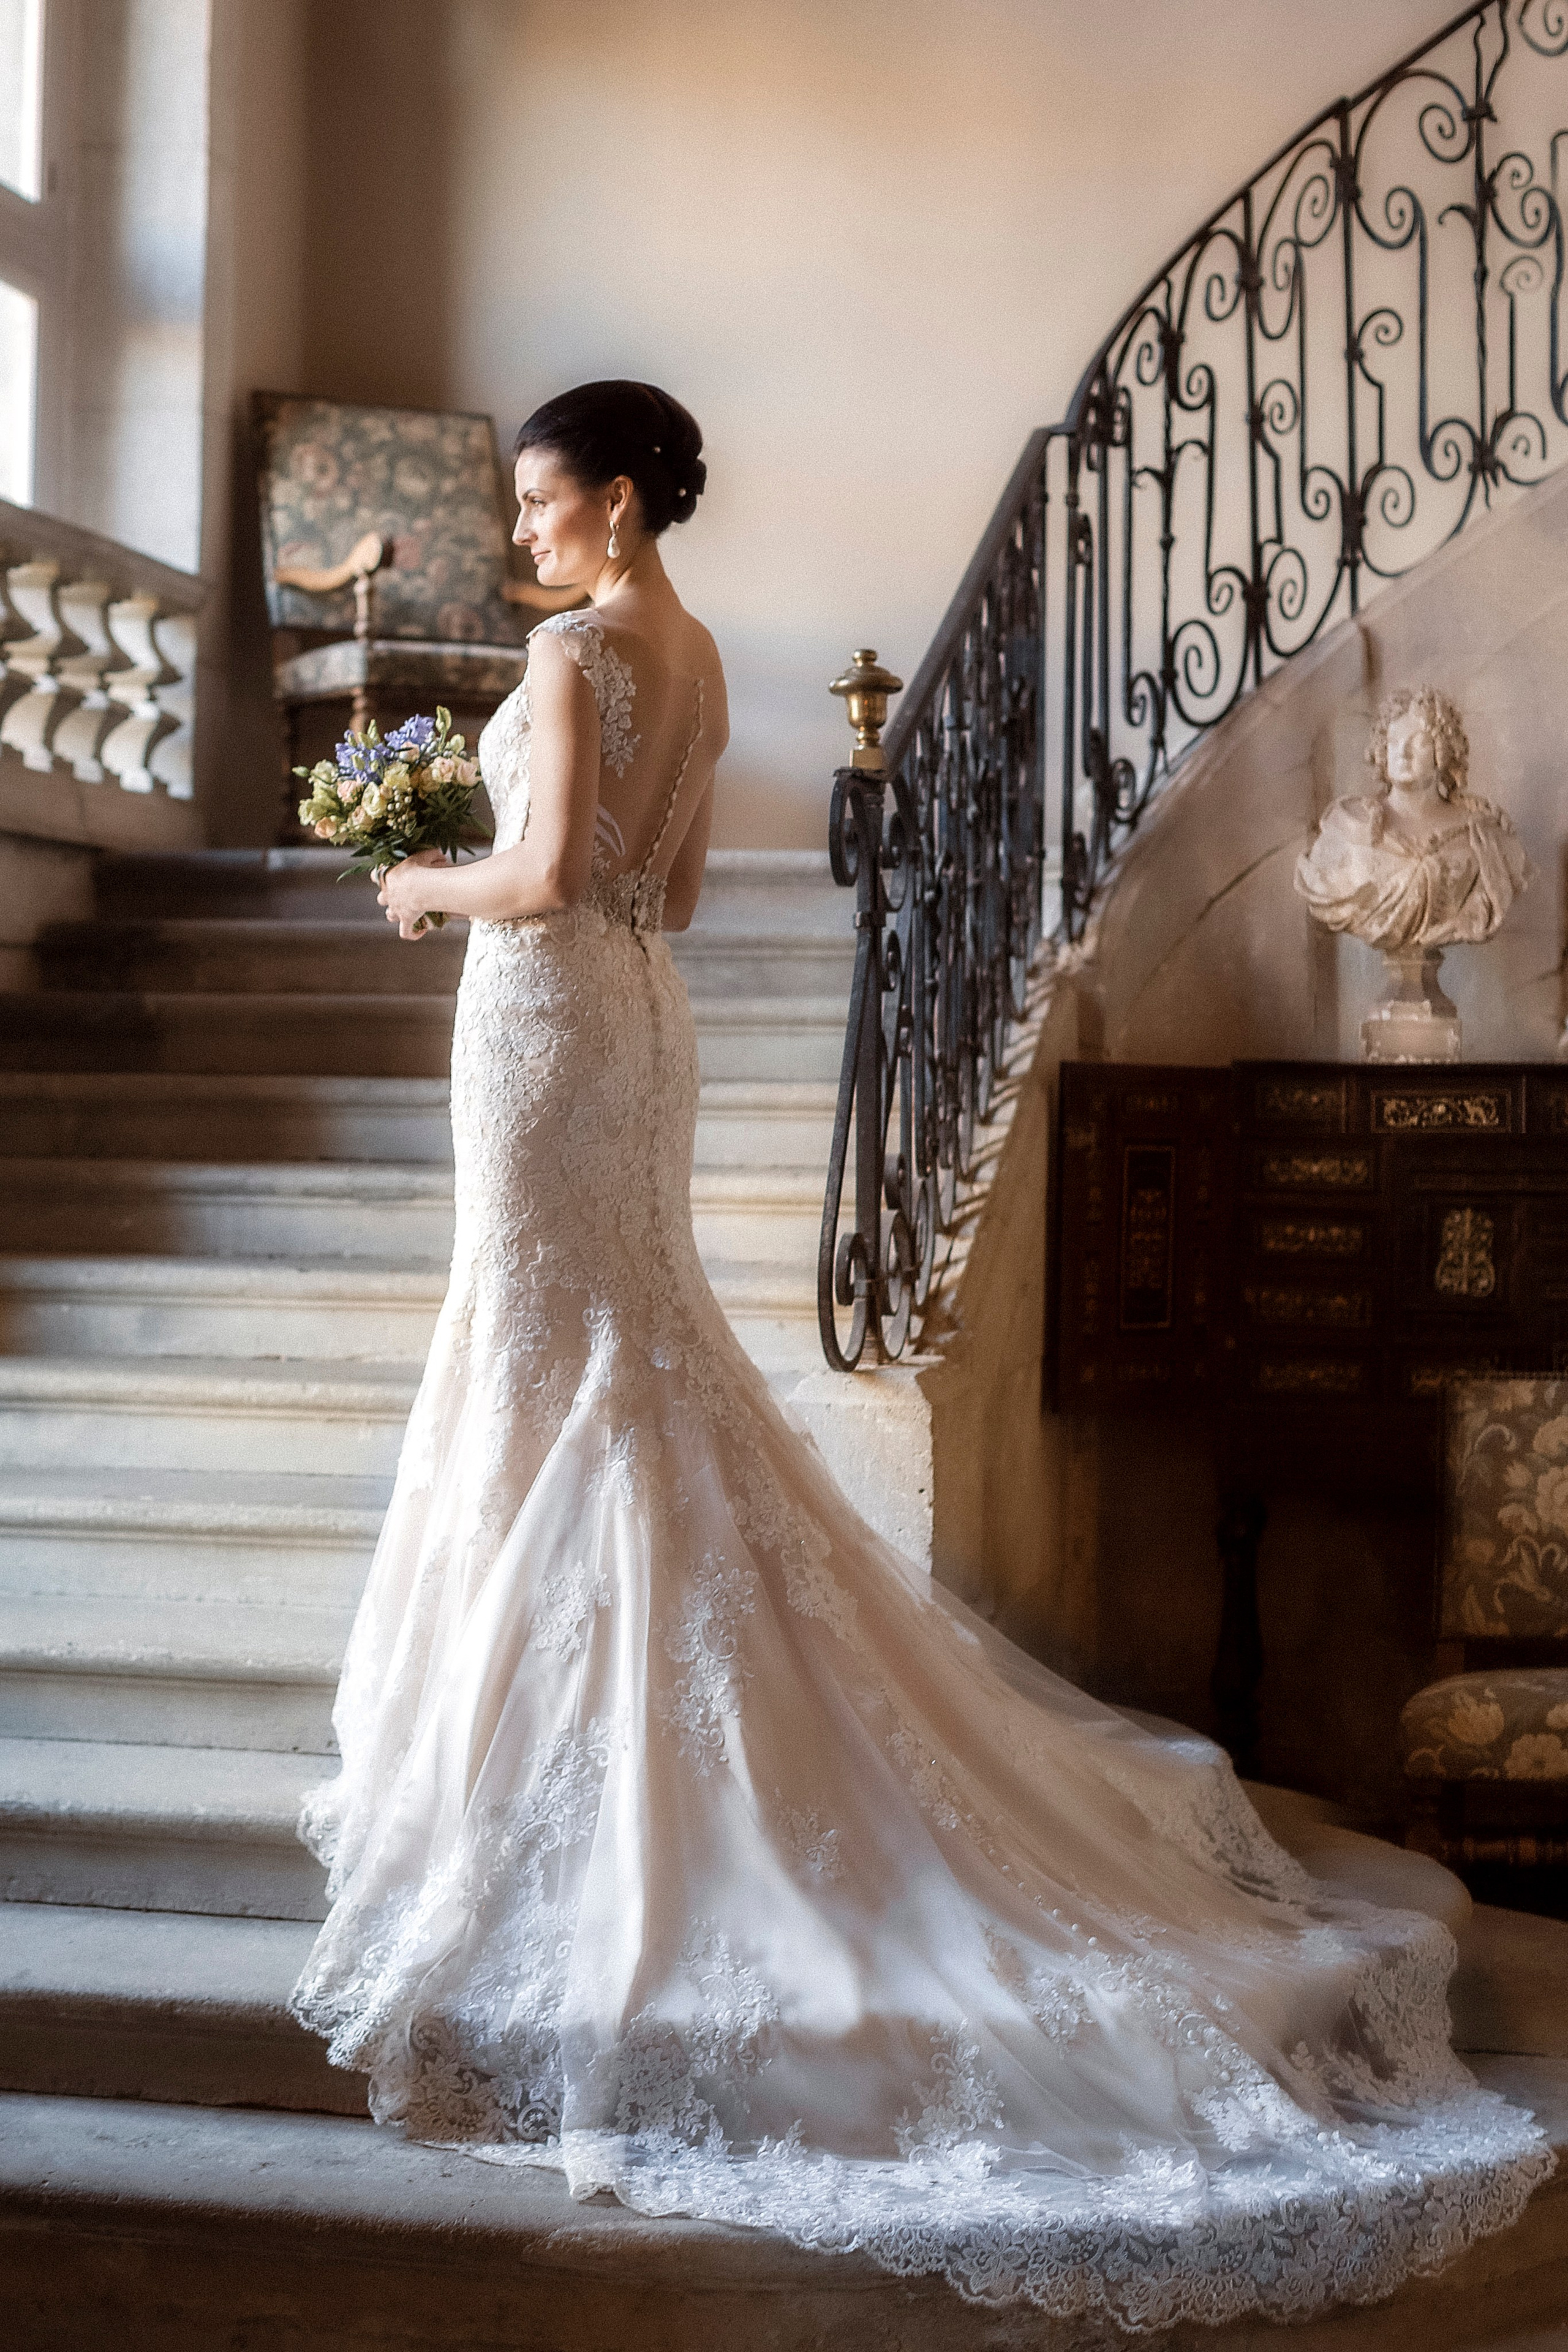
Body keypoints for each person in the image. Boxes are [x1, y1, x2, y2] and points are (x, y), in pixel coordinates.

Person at [290, 382, 1551, 2330]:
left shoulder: (564, 646)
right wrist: (521, 856)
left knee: (562, 1346)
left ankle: (559, 1756)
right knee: (620, 1346)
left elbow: (541, 883)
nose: (523, 538)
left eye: (542, 504)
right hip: (643, 1018)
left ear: (618, 504)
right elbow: (675, 889)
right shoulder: (693, 654)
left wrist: (420, 875)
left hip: (544, 1015)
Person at [1295, 685, 1529, 950]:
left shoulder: (1480, 832)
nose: (1403, 753)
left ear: (1443, 750)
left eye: (1419, 742)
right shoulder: (1349, 828)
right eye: (1393, 741)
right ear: (1382, 748)